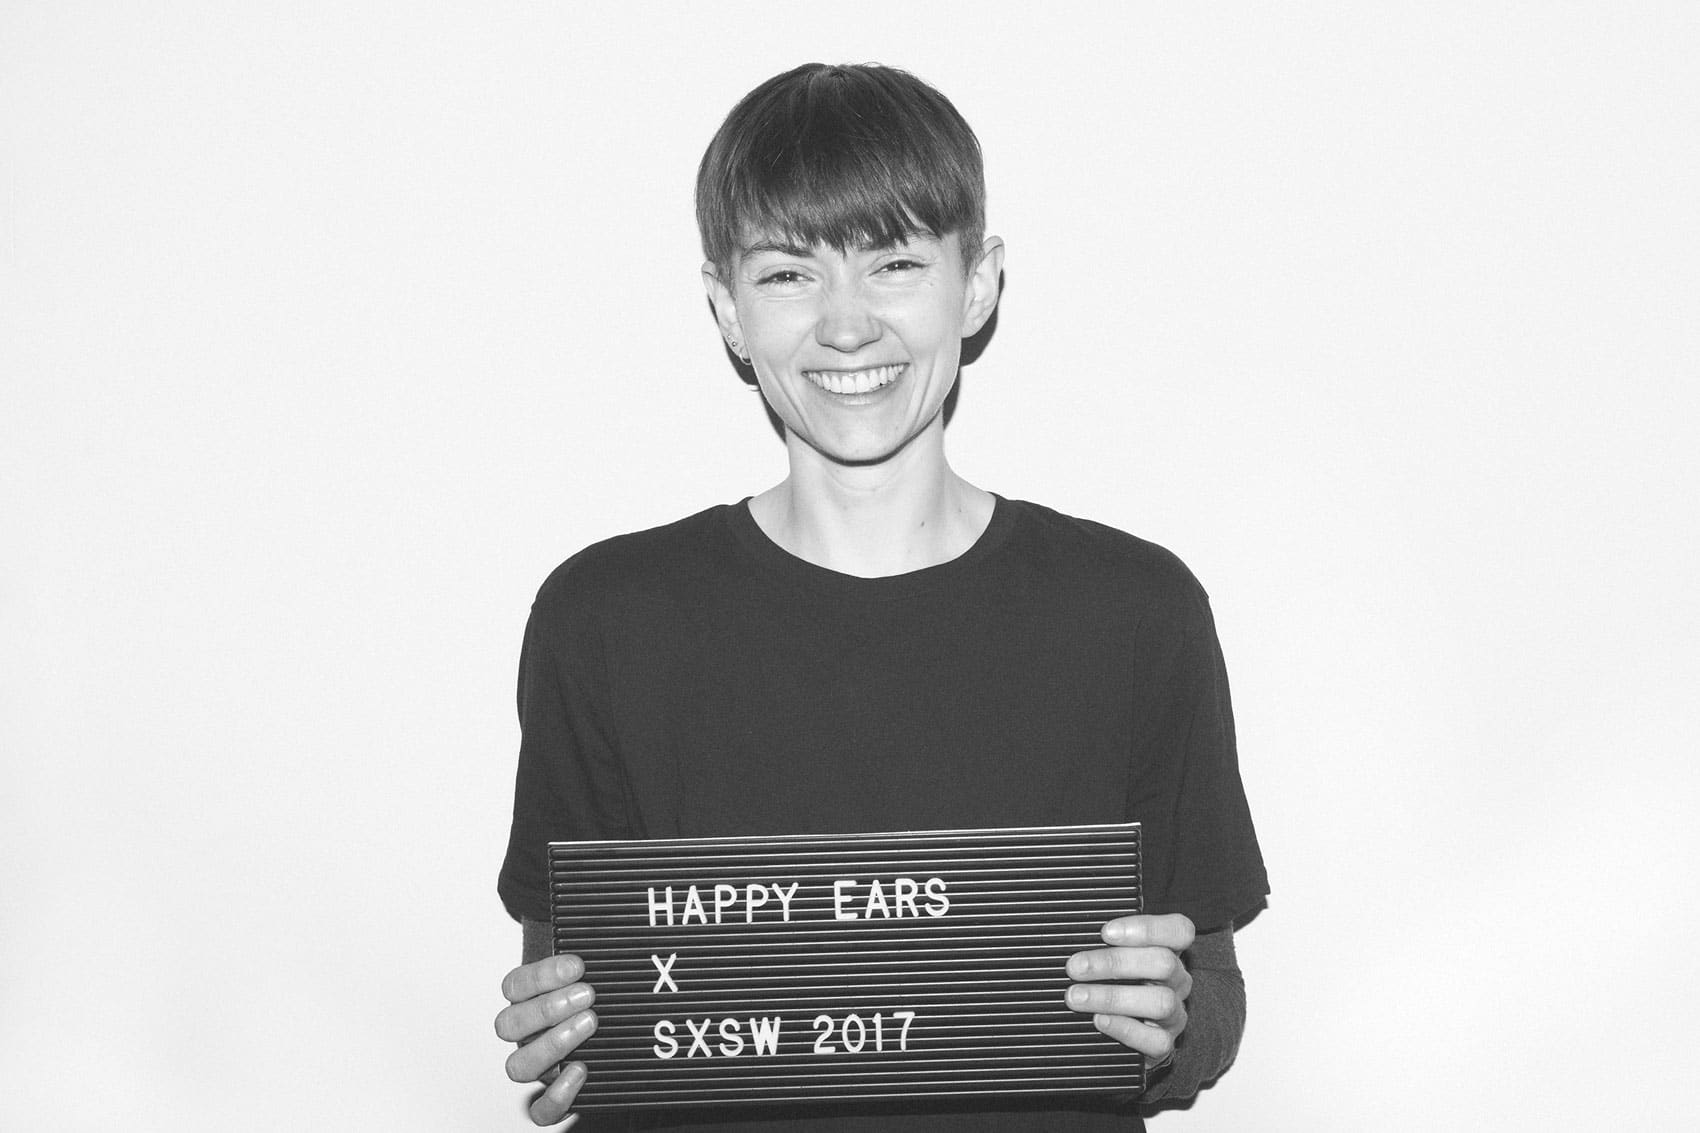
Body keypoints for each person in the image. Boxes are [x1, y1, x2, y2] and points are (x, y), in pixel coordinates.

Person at [493, 62, 1268, 1131]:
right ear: (726, 307)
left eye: (894, 261)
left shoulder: (1134, 612)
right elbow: (578, 993)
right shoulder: (604, 621)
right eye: (787, 274)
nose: (844, 325)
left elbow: (1211, 1000)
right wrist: (565, 1032)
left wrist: (1169, 1021)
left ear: (978, 282)